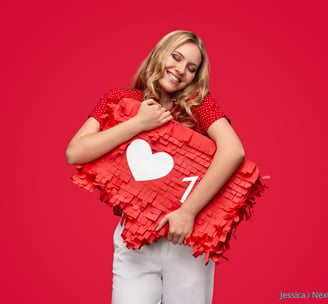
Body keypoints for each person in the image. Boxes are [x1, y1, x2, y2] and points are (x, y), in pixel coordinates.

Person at [66, 30, 245, 304]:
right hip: (135, 239)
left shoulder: (198, 105)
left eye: (191, 68)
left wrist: (188, 212)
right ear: (159, 54)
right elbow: (75, 152)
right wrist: (139, 123)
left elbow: (234, 151)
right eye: (176, 57)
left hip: (186, 239)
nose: (180, 70)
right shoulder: (120, 98)